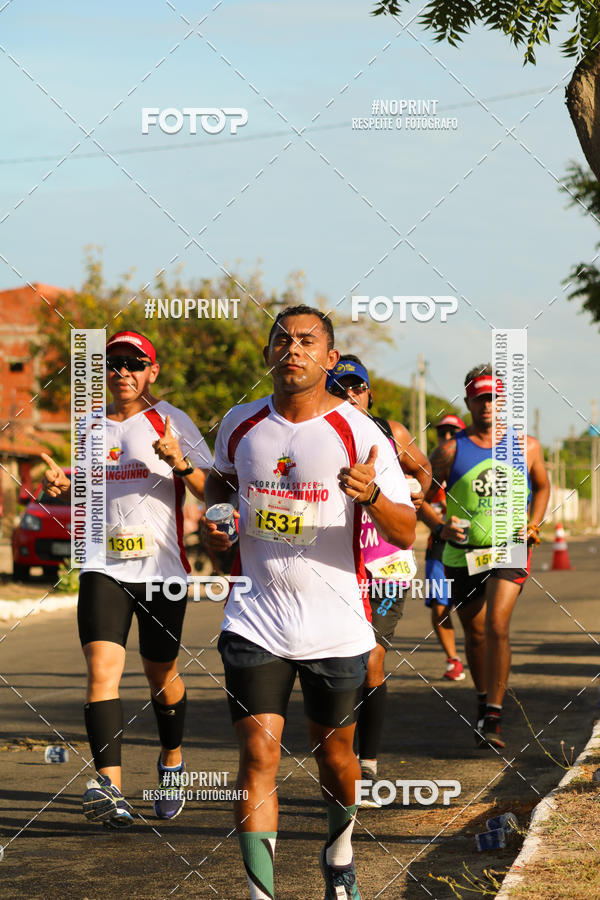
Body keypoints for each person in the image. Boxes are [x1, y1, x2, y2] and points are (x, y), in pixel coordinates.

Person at [202, 306, 416, 900]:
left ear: (328, 356)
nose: (292, 349)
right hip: (255, 617)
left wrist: (371, 494)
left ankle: (340, 851)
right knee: (256, 754)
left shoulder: (360, 432)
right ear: (269, 353)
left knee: (335, 759)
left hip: (337, 625)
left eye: (306, 341)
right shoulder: (239, 424)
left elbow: (405, 531)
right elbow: (219, 487)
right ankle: (260, 893)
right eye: (282, 339)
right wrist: (215, 528)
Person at [42, 331, 213, 827]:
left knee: (161, 674)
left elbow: (211, 489)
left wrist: (178, 462)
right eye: (113, 363)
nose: (122, 372)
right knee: (101, 670)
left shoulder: (172, 420)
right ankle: (112, 789)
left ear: (151, 371)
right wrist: (65, 482)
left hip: (162, 569)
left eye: (133, 363)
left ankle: (173, 761)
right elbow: (90, 484)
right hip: (103, 564)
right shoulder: (89, 427)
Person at [326, 355, 431, 807]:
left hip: (386, 567)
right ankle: (341, 758)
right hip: (339, 568)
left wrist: (421, 495)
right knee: (339, 664)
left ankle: (366, 764)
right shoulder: (321, 433)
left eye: (358, 388)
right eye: (341, 387)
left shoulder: (391, 433)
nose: (351, 395)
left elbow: (423, 469)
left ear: (369, 393)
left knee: (371, 662)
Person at [425, 364, 549, 750]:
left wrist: (534, 523)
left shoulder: (526, 446)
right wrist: (440, 527)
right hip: (462, 555)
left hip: (510, 547)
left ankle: (493, 714)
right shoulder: (449, 450)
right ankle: (483, 702)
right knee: (475, 634)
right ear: (468, 402)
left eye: (495, 399)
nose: (488, 406)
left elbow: (542, 486)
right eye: (481, 399)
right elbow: (423, 499)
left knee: (497, 625)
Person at [419, 414, 467, 681]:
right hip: (438, 546)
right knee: (440, 607)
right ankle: (453, 659)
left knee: (471, 608)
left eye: (453, 432)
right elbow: (415, 503)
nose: (447, 437)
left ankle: (476, 651)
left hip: (470, 547)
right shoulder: (430, 470)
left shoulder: (471, 465)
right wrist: (438, 523)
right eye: (442, 433)